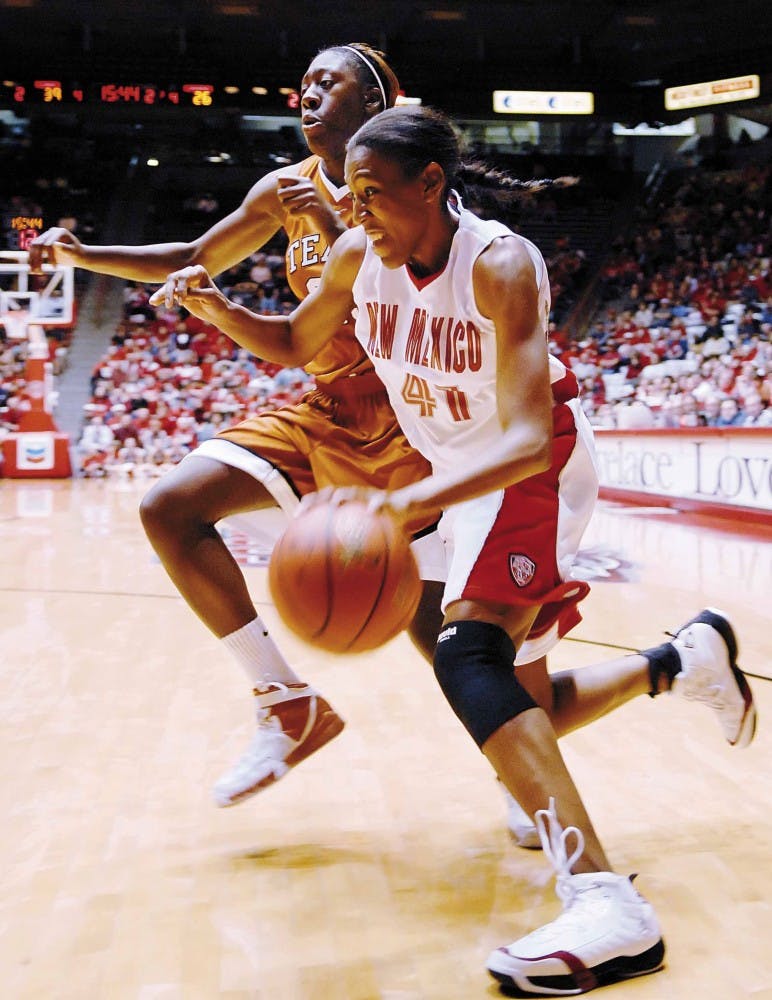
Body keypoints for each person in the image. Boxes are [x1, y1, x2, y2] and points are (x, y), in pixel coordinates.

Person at [150, 105, 757, 996]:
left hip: (532, 467)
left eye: (371, 193)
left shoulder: (502, 264)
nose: (352, 212)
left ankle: (607, 904)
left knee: (468, 655)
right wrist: (217, 304)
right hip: (454, 478)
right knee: (514, 696)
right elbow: (293, 344)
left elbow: (521, 438)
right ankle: (679, 659)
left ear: (430, 184)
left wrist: (400, 506)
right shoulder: (360, 255)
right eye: (347, 196)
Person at [30, 42, 449, 809]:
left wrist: (329, 220)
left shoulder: (404, 186)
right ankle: (285, 702)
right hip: (325, 407)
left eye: (329, 82)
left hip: (407, 417)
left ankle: (550, 748)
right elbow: (194, 254)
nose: (308, 93)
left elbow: (424, 292)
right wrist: (84, 252)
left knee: (444, 645)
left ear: (376, 104)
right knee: (170, 507)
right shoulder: (282, 187)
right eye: (304, 83)